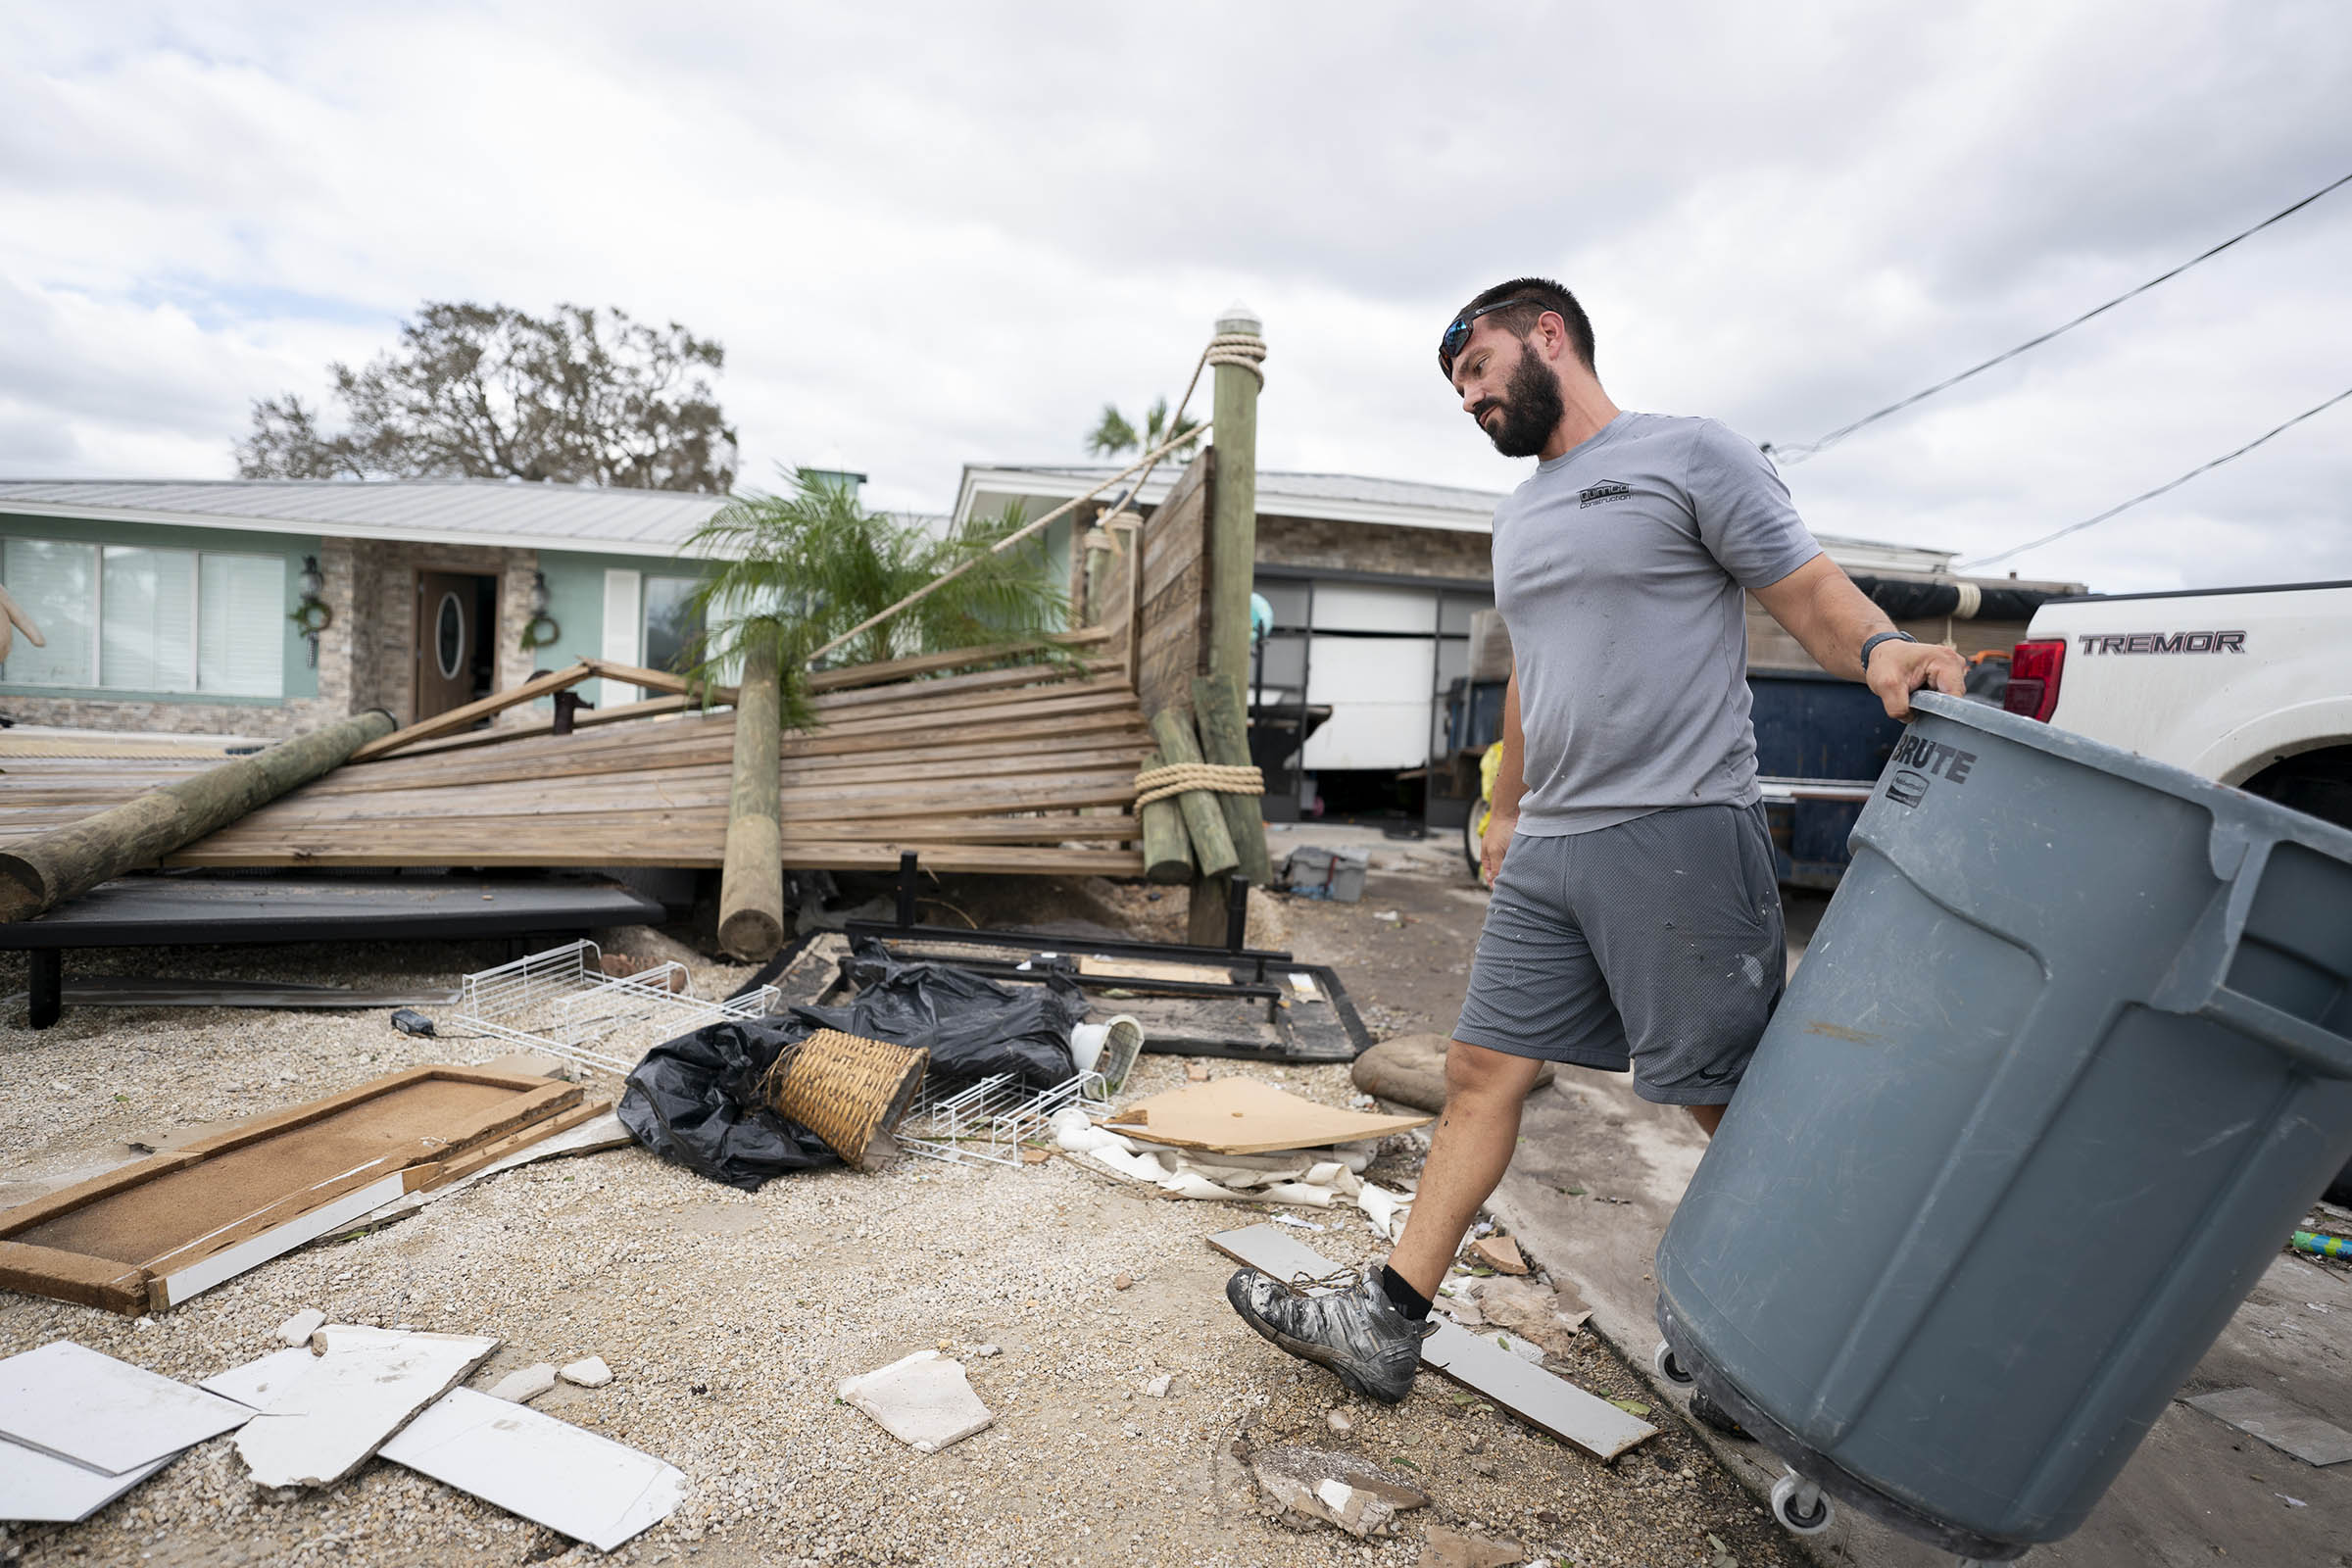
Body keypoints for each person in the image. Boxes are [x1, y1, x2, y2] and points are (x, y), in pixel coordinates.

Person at [1224, 276, 1966, 1418]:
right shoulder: (1519, 514)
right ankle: (1385, 1318)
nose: (1467, 398)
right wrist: (1507, 807)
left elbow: (1804, 585)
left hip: (1675, 826)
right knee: (1483, 1071)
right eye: (1457, 386)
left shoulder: (1690, 455)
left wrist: (1881, 646)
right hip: (1556, 840)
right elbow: (1535, 665)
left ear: (1547, 336)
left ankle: (1809, 1352)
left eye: (1475, 368)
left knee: (1724, 1103)